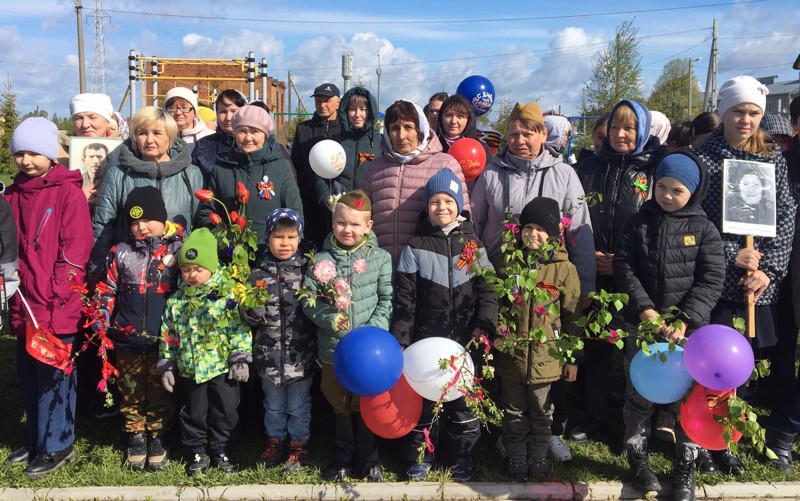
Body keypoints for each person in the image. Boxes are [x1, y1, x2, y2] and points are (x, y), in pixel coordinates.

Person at [695, 75, 796, 475]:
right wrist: (728, 253)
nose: (746, 120)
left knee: (742, 367)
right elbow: (692, 222)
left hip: (755, 285)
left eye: (754, 112)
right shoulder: (703, 161)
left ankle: (728, 438)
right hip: (715, 280)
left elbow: (786, 218)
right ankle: (701, 439)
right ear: (724, 113)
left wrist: (768, 270)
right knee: (709, 362)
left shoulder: (772, 162)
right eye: (738, 111)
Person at [613, 152, 726, 499]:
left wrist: (685, 318)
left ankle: (685, 466)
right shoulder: (638, 222)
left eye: (676, 190)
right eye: (661, 187)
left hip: (687, 332)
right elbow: (625, 267)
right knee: (640, 395)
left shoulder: (704, 229)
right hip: (644, 327)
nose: (666, 195)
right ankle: (639, 459)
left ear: (692, 191)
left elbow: (712, 279)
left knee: (689, 398)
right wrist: (645, 310)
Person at [392, 168, 497, 482]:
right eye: (435, 202)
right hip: (426, 342)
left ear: (458, 205)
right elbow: (405, 299)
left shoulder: (473, 245)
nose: (441, 208)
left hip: (465, 342)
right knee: (425, 406)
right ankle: (421, 456)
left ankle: (462, 456)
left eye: (447, 201)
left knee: (463, 403)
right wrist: (402, 338)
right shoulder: (416, 246)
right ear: (427, 207)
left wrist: (485, 324)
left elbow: (487, 289)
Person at [3, 117, 93, 478]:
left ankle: (59, 443)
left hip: (56, 302)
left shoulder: (66, 192)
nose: (26, 160)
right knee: (29, 373)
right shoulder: (11, 195)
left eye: (33, 153)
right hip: (22, 299)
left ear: (50, 154)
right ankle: (37, 438)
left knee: (54, 374)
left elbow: (75, 251)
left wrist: (58, 296)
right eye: (19, 153)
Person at [573, 99, 664, 444]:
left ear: (642, 130)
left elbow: (661, 224)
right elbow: (574, 214)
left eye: (629, 128)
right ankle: (595, 415)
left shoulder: (654, 169)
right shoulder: (590, 168)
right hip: (595, 271)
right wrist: (587, 254)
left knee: (638, 351)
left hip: (638, 275)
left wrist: (624, 260)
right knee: (597, 346)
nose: (621, 134)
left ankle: (637, 424)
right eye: (614, 128)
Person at [301, 190, 393, 483]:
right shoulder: (321, 260)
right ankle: (342, 457)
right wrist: (331, 319)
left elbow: (387, 299)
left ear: (369, 226)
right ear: (332, 221)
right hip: (334, 350)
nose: (347, 229)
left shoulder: (380, 259)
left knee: (366, 404)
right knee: (340, 404)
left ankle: (369, 459)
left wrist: (372, 331)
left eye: (355, 224)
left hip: (370, 353)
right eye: (342, 223)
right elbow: (308, 299)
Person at [92, 186, 182, 471]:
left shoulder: (177, 251)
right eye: (134, 221)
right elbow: (106, 289)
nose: (141, 226)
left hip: (161, 339)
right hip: (127, 337)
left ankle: (158, 434)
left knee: (159, 389)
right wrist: (101, 317)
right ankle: (135, 433)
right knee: (130, 388)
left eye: (147, 219)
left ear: (162, 218)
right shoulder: (120, 252)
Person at [492, 197, 581, 481]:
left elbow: (572, 316)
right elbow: (497, 304)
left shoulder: (564, 269)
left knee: (543, 412)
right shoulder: (508, 263)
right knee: (513, 410)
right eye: (528, 227)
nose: (533, 234)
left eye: (541, 229)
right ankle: (516, 455)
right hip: (512, 357)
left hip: (547, 357)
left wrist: (571, 358)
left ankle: (539, 455)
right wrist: (499, 335)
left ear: (554, 233)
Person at [472, 101, 596, 299]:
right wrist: (476, 275)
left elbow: (580, 233)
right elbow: (474, 226)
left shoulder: (564, 175)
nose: (519, 141)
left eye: (527, 134)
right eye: (513, 134)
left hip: (547, 284)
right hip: (496, 279)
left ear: (544, 135)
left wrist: (587, 285)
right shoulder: (491, 174)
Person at [158, 228, 252, 475]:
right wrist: (167, 363)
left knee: (224, 411)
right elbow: (168, 333)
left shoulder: (226, 295)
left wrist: (240, 358)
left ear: (211, 267)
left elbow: (239, 328)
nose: (192, 275)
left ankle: (222, 449)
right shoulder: (177, 301)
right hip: (191, 370)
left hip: (221, 367)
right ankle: (197, 450)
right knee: (194, 413)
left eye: (198, 269)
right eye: (187, 269)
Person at [91, 106, 203, 284]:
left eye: (157, 133)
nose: (149, 140)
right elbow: (102, 228)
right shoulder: (118, 175)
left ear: (170, 136)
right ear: (134, 137)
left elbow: (200, 223)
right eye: (142, 133)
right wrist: (96, 276)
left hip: (180, 273)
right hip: (131, 279)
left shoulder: (192, 174)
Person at [244, 208, 316, 473]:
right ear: (268, 238)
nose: (285, 243)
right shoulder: (257, 274)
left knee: (298, 405)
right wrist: (251, 311)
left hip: (300, 356)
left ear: (299, 238)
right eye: (278, 237)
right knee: (273, 405)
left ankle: (299, 446)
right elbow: (246, 310)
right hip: (268, 358)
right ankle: (274, 442)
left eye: (291, 237)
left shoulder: (307, 272)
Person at [362, 99, 470, 262]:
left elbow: (463, 219)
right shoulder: (375, 168)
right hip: (382, 265)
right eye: (395, 128)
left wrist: (463, 261)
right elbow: (362, 216)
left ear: (420, 129)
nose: (401, 136)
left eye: (408, 127)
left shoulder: (445, 164)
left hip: (428, 266)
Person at [206, 105, 303, 257]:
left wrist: (289, 245)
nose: (248, 137)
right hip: (232, 254)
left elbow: (294, 210)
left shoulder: (280, 165)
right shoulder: (222, 167)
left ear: (265, 134)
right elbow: (208, 211)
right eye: (242, 131)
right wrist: (222, 244)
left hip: (272, 254)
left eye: (254, 131)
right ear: (235, 133)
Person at [313, 86, 383, 239]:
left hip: (368, 218)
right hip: (339, 219)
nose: (358, 115)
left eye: (363, 109)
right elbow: (320, 175)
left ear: (370, 111)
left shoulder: (380, 143)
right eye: (352, 109)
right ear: (345, 111)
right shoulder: (335, 141)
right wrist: (325, 198)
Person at [291, 83, 342, 248]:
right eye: (318, 101)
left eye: (327, 100)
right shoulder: (303, 129)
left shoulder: (345, 130)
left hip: (340, 202)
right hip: (311, 203)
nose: (322, 105)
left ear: (338, 102)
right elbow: (296, 165)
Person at [435, 94, 492, 188]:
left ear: (468, 119)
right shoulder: (431, 147)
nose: (453, 121)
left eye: (460, 116)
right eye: (449, 115)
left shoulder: (480, 149)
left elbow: (487, 185)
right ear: (441, 117)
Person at [191, 90, 247, 181]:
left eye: (234, 111)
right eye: (223, 112)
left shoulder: (260, 144)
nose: (228, 118)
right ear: (216, 113)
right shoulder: (202, 146)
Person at [163, 87, 214, 154]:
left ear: (194, 112)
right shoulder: (159, 137)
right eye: (173, 108)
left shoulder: (210, 138)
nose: (178, 113)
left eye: (184, 108)